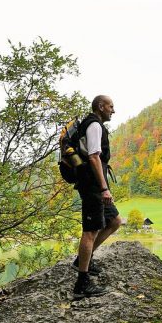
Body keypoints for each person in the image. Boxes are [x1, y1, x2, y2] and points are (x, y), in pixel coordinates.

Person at [71, 95, 122, 299]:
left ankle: (83, 260)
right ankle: (82, 283)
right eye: (111, 106)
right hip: (93, 185)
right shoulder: (94, 125)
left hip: (96, 184)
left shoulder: (95, 124)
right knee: (90, 232)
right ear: (100, 107)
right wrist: (103, 188)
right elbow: (93, 157)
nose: (113, 110)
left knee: (115, 221)